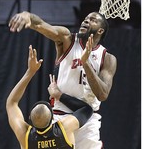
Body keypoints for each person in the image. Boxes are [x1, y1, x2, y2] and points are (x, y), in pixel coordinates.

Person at [8, 11, 117, 149]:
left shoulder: (107, 58)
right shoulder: (67, 39)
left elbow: (102, 95)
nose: (86, 20)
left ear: (100, 30)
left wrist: (86, 64)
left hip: (87, 119)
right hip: (61, 116)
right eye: (85, 18)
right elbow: (43, 26)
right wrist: (28, 16)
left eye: (93, 20)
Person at [6, 45, 94, 149]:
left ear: (29, 118)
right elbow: (87, 109)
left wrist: (30, 72)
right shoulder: (64, 128)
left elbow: (11, 103)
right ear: (53, 118)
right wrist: (58, 95)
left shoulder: (25, 135)